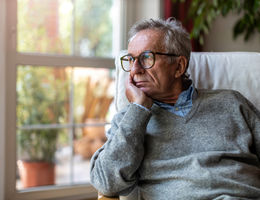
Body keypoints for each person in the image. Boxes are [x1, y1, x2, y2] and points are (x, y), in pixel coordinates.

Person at [90, 18, 260, 200]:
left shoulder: (232, 103)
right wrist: (139, 109)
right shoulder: (130, 120)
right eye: (131, 60)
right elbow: (106, 182)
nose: (135, 70)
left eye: (146, 57)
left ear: (178, 66)